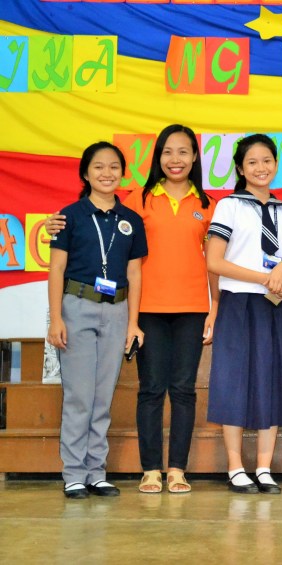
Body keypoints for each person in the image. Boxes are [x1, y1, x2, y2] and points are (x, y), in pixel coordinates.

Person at [46, 124, 218, 495]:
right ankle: (132, 471)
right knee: (137, 391)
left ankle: (164, 470)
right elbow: (72, 252)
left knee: (172, 391)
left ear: (194, 157)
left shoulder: (206, 205)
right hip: (138, 310)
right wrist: (52, 223)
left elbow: (211, 261)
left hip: (173, 309)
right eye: (167, 151)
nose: (175, 159)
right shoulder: (136, 200)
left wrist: (215, 305)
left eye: (183, 151)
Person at [205, 134, 282, 494]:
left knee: (273, 379)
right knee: (233, 381)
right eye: (252, 162)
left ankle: (264, 468)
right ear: (240, 169)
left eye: (267, 161)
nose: (261, 168)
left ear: (276, 165)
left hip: (275, 305)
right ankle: (235, 467)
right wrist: (266, 277)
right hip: (238, 303)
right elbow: (214, 261)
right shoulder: (229, 206)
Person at [47, 141, 147, 499]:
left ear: (123, 173)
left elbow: (135, 274)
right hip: (77, 307)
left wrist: (133, 323)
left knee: (103, 397)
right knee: (79, 396)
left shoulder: (131, 220)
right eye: (99, 167)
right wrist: (56, 318)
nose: (107, 173)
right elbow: (56, 268)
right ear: (85, 174)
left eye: (114, 167)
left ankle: (96, 472)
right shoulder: (69, 216)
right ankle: (74, 474)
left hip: (117, 311)